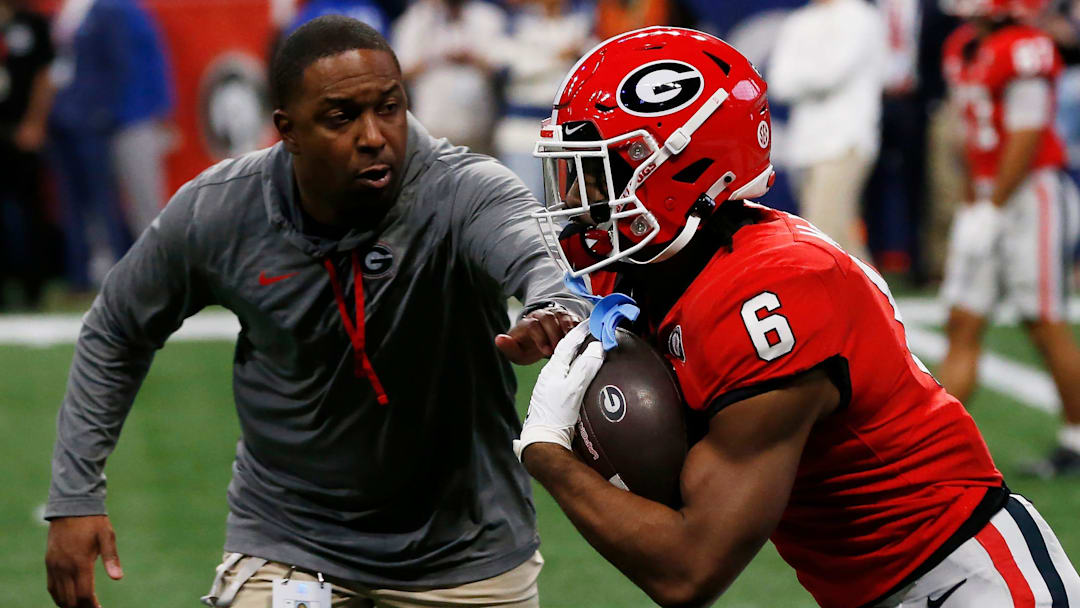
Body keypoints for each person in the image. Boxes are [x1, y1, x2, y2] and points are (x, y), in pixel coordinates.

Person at [516, 26, 1080, 608]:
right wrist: (560, 314)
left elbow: (688, 571)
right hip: (860, 590)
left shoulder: (777, 293)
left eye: (596, 172)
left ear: (676, 169)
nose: (577, 199)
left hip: (966, 579)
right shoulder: (652, 262)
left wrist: (549, 455)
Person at [44, 16, 586, 608]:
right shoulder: (221, 209)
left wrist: (551, 307)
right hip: (290, 540)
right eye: (341, 117)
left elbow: (540, 261)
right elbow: (117, 329)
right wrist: (75, 497)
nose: (374, 135)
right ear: (287, 130)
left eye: (389, 107)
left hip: (466, 551)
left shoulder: (465, 189)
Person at [938, 0, 1080, 478]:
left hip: (1030, 193)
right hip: (986, 194)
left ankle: (1077, 437)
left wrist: (992, 208)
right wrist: (971, 206)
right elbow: (969, 137)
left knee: (1042, 320)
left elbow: (1027, 133)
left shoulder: (1026, 46)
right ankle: (935, 445)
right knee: (962, 319)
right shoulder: (963, 44)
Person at [768, 0, 887, 261]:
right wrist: (809, 75)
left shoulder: (860, 16)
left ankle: (865, 297)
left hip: (846, 139)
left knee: (824, 230)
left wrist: (801, 73)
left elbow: (831, 74)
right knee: (836, 234)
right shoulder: (798, 21)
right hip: (805, 144)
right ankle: (871, 297)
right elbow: (778, 82)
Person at [391, 0, 507, 155]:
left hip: (478, 127)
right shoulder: (417, 18)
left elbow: (503, 67)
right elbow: (401, 71)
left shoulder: (487, 16)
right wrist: (437, 57)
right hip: (432, 123)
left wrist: (471, 58)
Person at [0, 0, 54, 310]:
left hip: (20, 131)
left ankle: (34, 288)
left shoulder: (32, 23)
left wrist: (35, 122)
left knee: (28, 209)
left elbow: (44, 75)